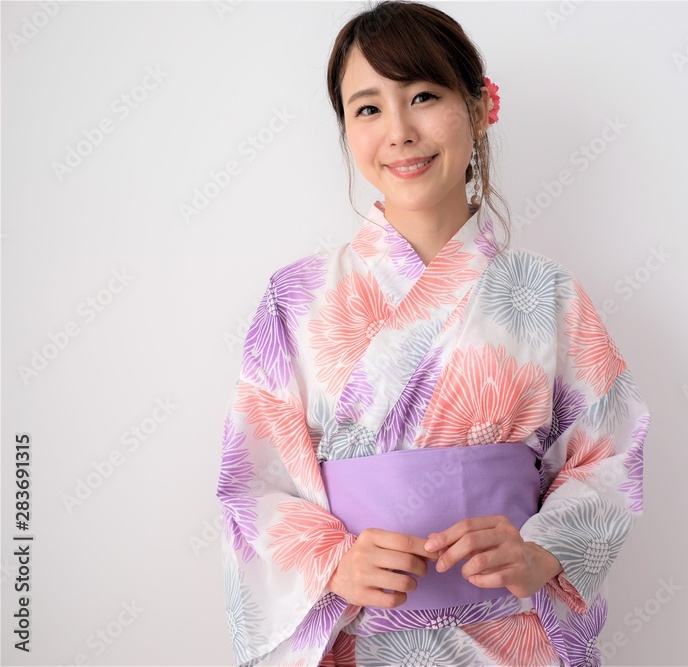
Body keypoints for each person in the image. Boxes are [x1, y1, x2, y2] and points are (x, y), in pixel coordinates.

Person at [215, 1, 649, 664]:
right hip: (360, 635)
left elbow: (608, 452)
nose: (399, 131)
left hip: (513, 635)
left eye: (422, 96)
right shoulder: (296, 298)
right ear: (346, 131)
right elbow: (253, 478)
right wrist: (333, 562)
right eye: (368, 108)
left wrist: (541, 551)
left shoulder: (548, 291)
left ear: (477, 109)